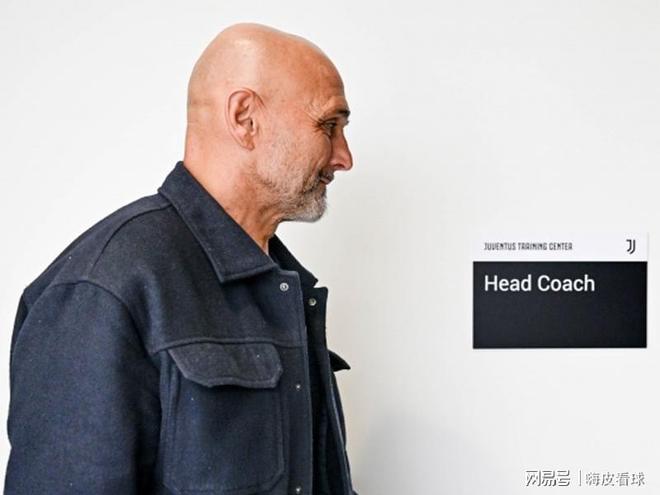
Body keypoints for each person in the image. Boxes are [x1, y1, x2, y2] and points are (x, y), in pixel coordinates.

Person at [5, 23, 358, 495]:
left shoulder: (286, 286)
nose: (344, 157)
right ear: (245, 118)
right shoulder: (103, 287)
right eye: (328, 126)